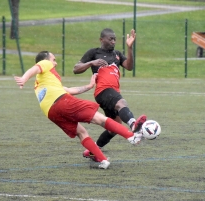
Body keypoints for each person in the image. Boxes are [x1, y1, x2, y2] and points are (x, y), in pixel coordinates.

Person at [14, 51, 143, 169]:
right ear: (46, 59)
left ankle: (103, 160)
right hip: (61, 102)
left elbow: (70, 90)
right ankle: (131, 136)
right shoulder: (45, 64)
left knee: (81, 132)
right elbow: (35, 68)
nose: (55, 62)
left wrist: (89, 86)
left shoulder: (44, 81)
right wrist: (24, 78)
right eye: (53, 59)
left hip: (51, 112)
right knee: (100, 119)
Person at [73, 28, 146, 160]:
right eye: (110, 39)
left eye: (115, 39)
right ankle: (133, 124)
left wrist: (129, 48)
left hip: (113, 92)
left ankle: (93, 150)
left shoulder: (117, 54)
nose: (113, 41)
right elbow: (76, 68)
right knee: (122, 103)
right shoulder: (94, 52)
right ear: (102, 39)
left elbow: (129, 67)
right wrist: (91, 63)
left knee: (114, 127)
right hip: (103, 90)